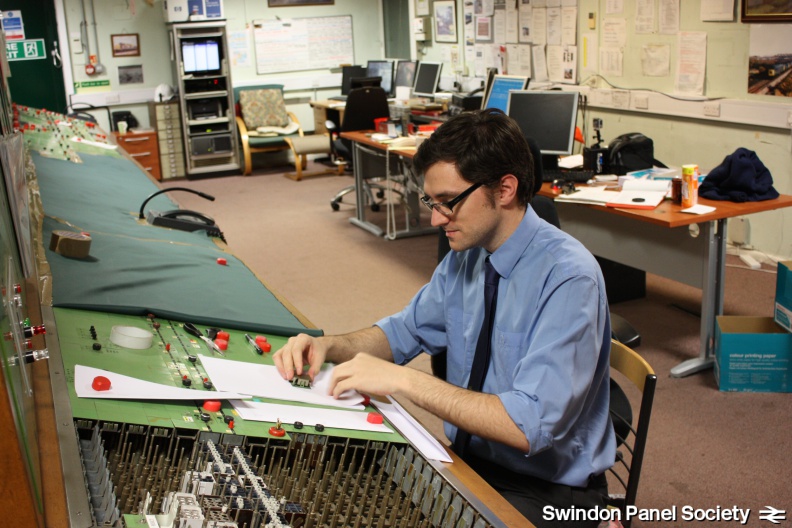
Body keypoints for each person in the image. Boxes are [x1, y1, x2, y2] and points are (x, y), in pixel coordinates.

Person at [274, 109, 615, 527]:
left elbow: (530, 426)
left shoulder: (569, 278)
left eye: (448, 202)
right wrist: (331, 346)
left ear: (505, 189)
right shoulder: (468, 255)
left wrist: (404, 381)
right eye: (430, 203)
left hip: (548, 490)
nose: (436, 219)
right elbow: (402, 332)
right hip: (467, 462)